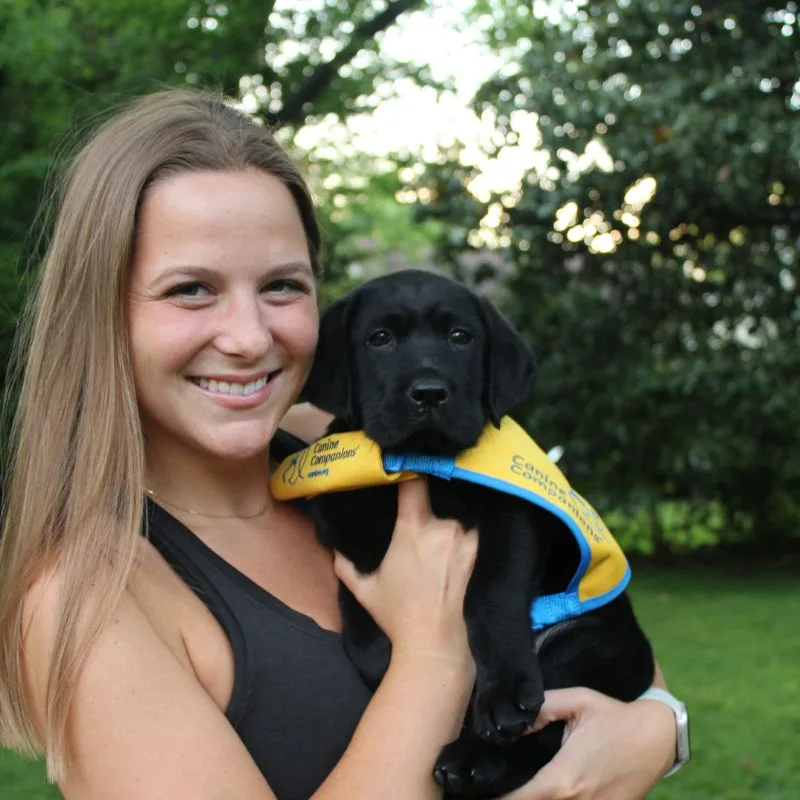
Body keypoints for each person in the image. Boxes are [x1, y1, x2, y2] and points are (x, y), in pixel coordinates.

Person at [0, 89, 680, 799]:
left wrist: (660, 732)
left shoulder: (343, 461)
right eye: (192, 289)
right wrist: (434, 657)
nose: (250, 336)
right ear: (101, 316)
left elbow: (606, 641)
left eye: (282, 286)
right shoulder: (88, 596)